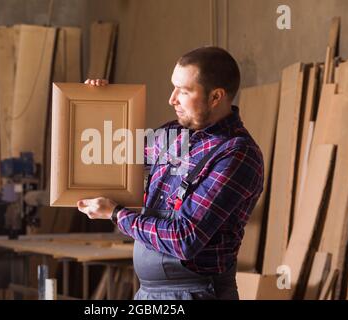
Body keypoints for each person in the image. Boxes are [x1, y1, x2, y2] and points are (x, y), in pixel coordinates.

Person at [77, 46, 264, 300]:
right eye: (173, 87)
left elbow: (184, 239)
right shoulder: (170, 136)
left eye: (184, 91)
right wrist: (97, 105)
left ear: (216, 97)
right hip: (149, 294)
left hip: (195, 294)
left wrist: (115, 214)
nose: (172, 98)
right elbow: (108, 158)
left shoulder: (236, 154)